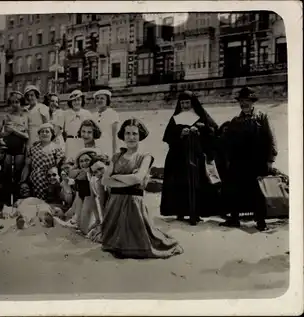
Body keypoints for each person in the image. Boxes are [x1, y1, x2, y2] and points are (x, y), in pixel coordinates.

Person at [102, 118, 184, 259]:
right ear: (123, 135)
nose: (131, 137)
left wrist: (116, 176)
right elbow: (104, 180)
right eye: (127, 133)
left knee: (139, 244)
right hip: (114, 204)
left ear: (140, 136)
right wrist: (127, 179)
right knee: (112, 244)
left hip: (133, 203)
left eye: (134, 134)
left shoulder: (145, 157)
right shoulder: (116, 156)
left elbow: (138, 179)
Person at [220, 87, 277, 231]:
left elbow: (271, 139)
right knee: (234, 189)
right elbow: (227, 141)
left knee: (257, 192)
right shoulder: (235, 120)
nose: (244, 104)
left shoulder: (261, 117)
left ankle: (261, 222)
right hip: (237, 162)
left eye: (247, 101)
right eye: (241, 101)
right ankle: (234, 219)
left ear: (252, 102)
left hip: (255, 161)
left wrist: (270, 159)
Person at [160, 91, 219, 226]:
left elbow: (213, 131)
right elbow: (168, 137)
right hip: (179, 157)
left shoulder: (201, 116)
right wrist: (181, 133)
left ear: (192, 103)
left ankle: (196, 213)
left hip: (196, 156)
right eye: (182, 103)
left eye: (187, 102)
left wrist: (200, 130)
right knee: (180, 183)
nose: (185, 105)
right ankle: (180, 211)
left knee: (197, 184)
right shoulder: (175, 117)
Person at [0, 91, 29, 205]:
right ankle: (5, 202)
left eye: (17, 102)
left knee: (18, 175)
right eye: (12, 102)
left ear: (21, 103)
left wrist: (14, 131)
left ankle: (17, 200)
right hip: (7, 148)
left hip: (20, 148)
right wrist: (7, 133)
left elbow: (27, 136)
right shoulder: (5, 117)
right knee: (7, 174)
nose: (15, 104)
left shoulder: (24, 117)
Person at [21, 123, 65, 200]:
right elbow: (27, 166)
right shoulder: (33, 149)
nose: (44, 133)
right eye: (42, 132)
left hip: (51, 178)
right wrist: (23, 181)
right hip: (36, 179)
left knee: (51, 200)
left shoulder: (56, 148)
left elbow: (60, 166)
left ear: (52, 134)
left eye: (47, 132)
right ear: (39, 135)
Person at [66, 148, 100, 235]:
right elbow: (79, 196)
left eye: (87, 160)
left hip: (96, 206)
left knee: (84, 229)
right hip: (87, 201)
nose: (84, 163)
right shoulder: (82, 176)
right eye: (81, 161)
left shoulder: (96, 176)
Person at [60, 90, 93, 160]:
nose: (76, 102)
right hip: (70, 141)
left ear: (82, 101)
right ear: (70, 102)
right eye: (74, 100)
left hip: (83, 141)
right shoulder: (65, 114)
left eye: (78, 100)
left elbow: (92, 130)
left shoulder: (87, 113)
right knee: (69, 162)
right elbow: (61, 130)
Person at [92, 90, 121, 157]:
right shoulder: (93, 116)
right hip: (96, 149)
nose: (99, 100)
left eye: (102, 98)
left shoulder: (113, 114)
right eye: (97, 98)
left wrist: (114, 153)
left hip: (108, 148)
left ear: (107, 100)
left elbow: (115, 136)